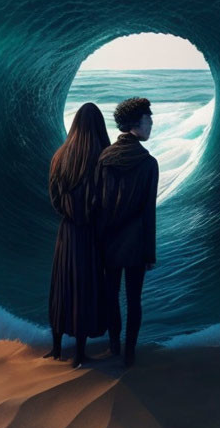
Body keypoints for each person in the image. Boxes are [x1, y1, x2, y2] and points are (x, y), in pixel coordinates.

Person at [44, 102, 111, 368]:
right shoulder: (104, 157)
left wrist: (69, 214)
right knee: (86, 289)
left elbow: (55, 199)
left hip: (67, 232)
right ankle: (81, 353)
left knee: (62, 286)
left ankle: (57, 347)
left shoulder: (59, 156)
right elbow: (105, 200)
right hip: (91, 234)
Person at [94, 97, 159, 368]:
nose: (152, 124)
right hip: (135, 244)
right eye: (148, 119)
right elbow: (147, 213)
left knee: (111, 295)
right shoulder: (148, 163)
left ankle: (114, 345)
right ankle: (130, 354)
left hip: (108, 242)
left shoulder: (105, 158)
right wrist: (149, 252)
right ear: (136, 123)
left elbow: (98, 203)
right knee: (134, 299)